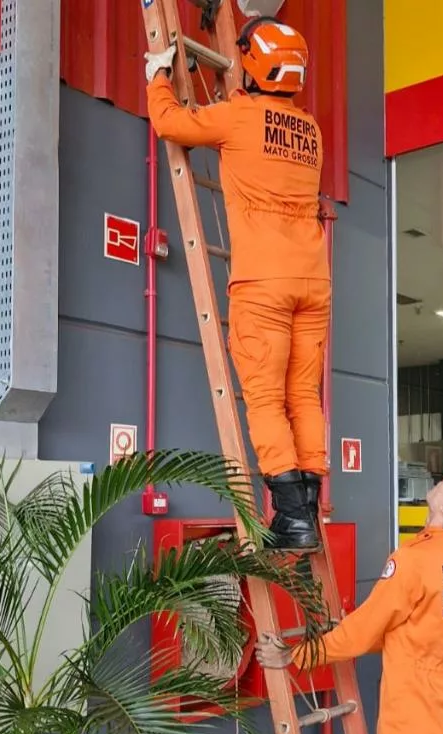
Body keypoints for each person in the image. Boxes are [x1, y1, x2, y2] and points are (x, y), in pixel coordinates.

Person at [143, 17, 329, 553]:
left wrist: (159, 75)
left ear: (252, 63)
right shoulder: (311, 131)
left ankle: (292, 520)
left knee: (267, 399)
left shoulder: (240, 118)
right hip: (313, 282)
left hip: (263, 281)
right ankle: (307, 515)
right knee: (303, 398)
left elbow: (172, 124)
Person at [256, 459, 443, 734]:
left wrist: (296, 656)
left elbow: (364, 632)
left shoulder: (414, 560)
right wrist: (345, 631)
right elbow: (408, 629)